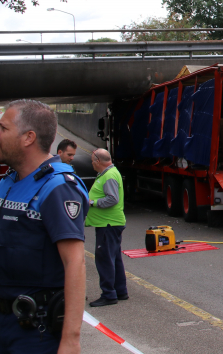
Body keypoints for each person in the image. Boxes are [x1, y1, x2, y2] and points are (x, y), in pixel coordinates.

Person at [0, 99, 89, 354]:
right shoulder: (9, 182)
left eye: (3, 128)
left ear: (28, 137)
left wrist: (71, 340)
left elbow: (75, 262)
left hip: (33, 332)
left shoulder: (57, 187)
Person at [86, 148, 128, 307]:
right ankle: (120, 291)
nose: (92, 164)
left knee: (104, 259)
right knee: (114, 258)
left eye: (92, 161)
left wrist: (92, 203)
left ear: (98, 161)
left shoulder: (109, 176)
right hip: (110, 223)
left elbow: (112, 199)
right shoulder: (110, 173)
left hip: (108, 224)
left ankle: (109, 294)